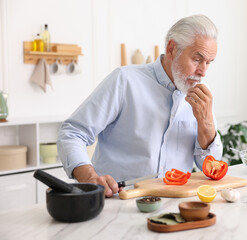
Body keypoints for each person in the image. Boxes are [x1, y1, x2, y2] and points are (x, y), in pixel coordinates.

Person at [57, 14, 223, 197]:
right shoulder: (124, 80)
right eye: (197, 60)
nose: (203, 72)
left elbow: (210, 166)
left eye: (208, 63)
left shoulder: (202, 95)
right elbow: (72, 133)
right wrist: (89, 177)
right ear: (172, 49)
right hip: (118, 202)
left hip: (174, 204)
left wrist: (206, 122)